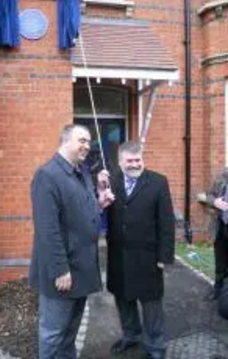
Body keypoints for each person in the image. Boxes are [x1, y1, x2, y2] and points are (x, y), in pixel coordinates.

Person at [28, 124, 114, 359]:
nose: (87, 146)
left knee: (69, 334)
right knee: (53, 334)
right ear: (65, 141)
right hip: (62, 273)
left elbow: (82, 212)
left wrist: (99, 203)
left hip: (82, 269)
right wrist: (60, 270)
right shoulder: (47, 175)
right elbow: (47, 230)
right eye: (81, 140)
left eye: (89, 141)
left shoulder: (82, 172)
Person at [99, 141, 175, 359]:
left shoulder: (158, 182)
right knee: (123, 300)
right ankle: (131, 336)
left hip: (148, 257)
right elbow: (98, 210)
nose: (134, 164)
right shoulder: (110, 181)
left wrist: (165, 256)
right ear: (120, 161)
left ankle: (156, 346)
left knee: (151, 304)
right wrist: (100, 188)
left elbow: (166, 221)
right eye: (129, 161)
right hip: (118, 257)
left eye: (138, 159)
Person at [206, 168, 228, 300]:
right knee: (220, 262)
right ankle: (218, 289)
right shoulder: (221, 176)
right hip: (220, 228)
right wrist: (215, 202)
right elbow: (207, 195)